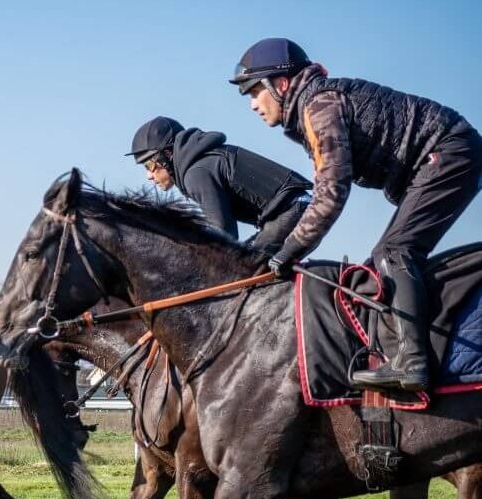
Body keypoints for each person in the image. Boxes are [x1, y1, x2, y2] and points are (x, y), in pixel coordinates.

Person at [230, 38, 482, 391]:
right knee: (386, 258)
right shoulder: (313, 105)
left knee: (392, 253)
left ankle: (413, 362)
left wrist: (289, 250)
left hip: (448, 153)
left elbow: (331, 193)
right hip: (446, 154)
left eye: (255, 91)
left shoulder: (319, 106)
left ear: (281, 84)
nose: (253, 104)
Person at [127, 116, 312, 251]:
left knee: (244, 272)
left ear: (167, 155)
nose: (149, 176)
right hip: (293, 209)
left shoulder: (196, 174)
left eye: (149, 165)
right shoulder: (200, 163)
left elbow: (223, 236)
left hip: (291, 211)